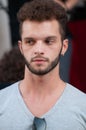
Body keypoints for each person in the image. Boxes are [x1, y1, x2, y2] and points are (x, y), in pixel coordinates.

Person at [0, 0, 86, 130]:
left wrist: (66, 5)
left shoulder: (82, 107)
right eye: (30, 41)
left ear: (64, 47)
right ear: (21, 47)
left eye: (48, 41)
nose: (39, 49)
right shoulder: (1, 103)